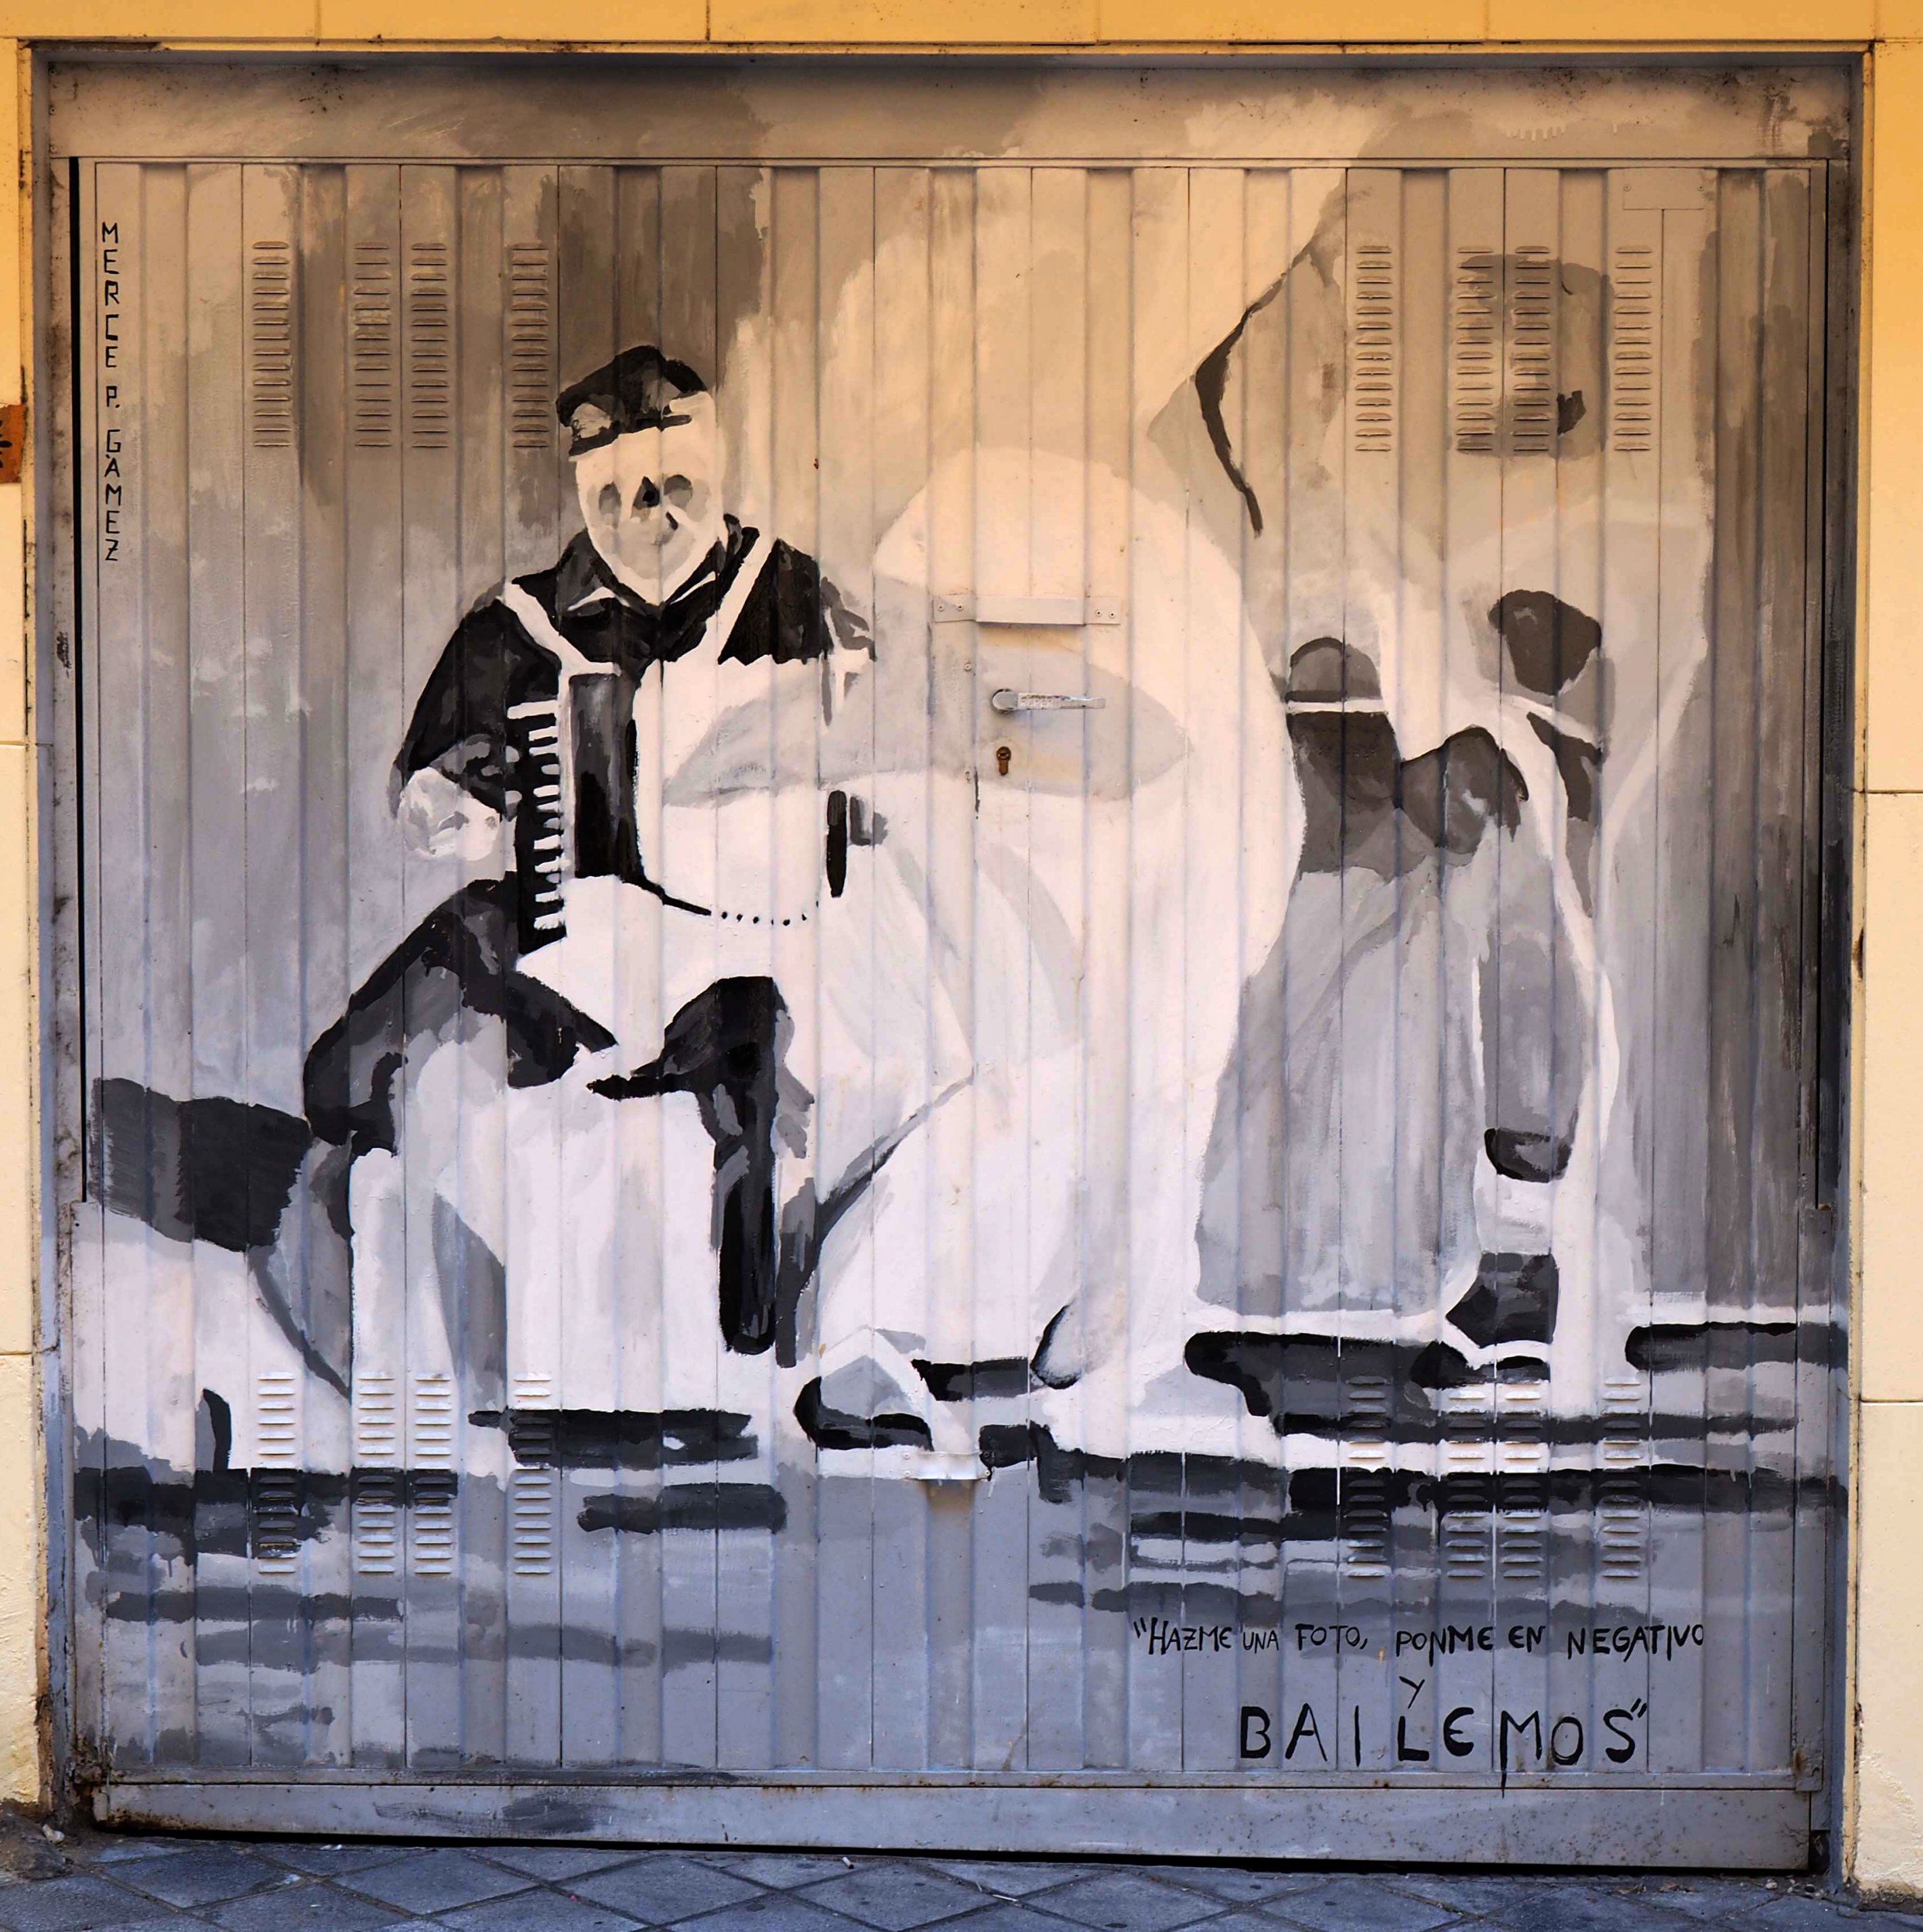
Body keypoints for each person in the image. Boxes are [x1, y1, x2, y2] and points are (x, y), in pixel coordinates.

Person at [302, 345, 927, 1424]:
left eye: (674, 486)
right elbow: (423, 810)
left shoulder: (795, 598)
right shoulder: (518, 626)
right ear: (584, 490)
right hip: (564, 951)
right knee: (425, 982)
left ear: (714, 470)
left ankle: (749, 1346)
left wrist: (854, 803)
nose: (648, 514)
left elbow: (895, 767)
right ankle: (342, 1154)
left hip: (740, 953)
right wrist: (461, 792)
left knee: (752, 1057)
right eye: (617, 495)